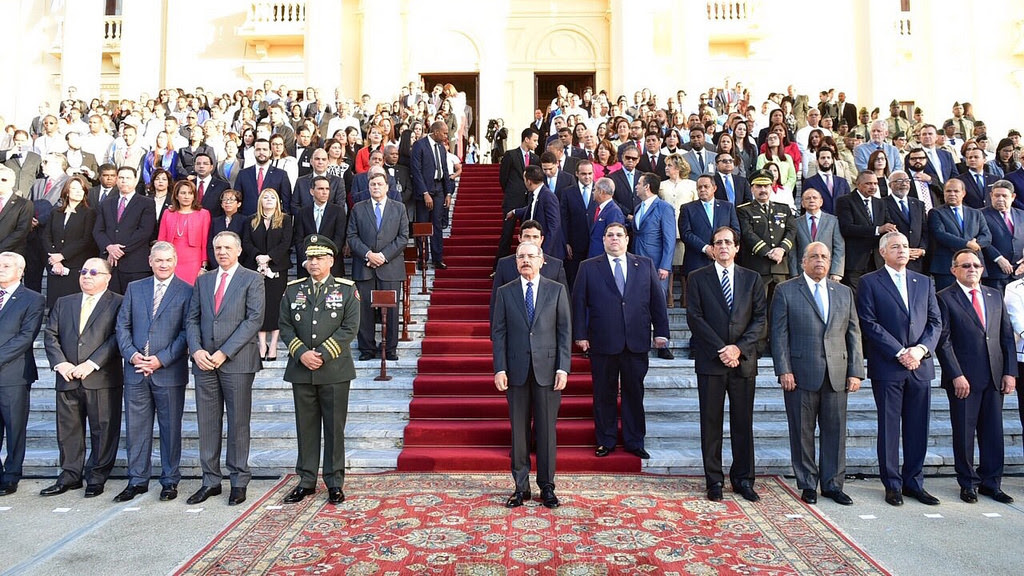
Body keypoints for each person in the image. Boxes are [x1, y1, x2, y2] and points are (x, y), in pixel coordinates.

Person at [771, 242, 864, 505]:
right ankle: (808, 483)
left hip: (837, 372)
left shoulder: (844, 292)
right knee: (802, 432)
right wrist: (783, 369)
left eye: (824, 256)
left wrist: (856, 371)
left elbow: (853, 333)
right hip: (800, 374)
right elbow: (779, 335)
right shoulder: (786, 290)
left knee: (835, 431)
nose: (820, 261)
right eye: (814, 256)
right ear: (803, 262)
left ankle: (833, 485)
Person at [856, 231, 943, 507]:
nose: (902, 251)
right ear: (883, 252)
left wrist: (920, 350)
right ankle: (892, 484)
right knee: (889, 428)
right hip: (889, 366)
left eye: (905, 246)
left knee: (918, 427)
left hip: (920, 365)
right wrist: (899, 351)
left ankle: (914, 482)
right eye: (896, 247)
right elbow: (868, 323)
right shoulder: (869, 282)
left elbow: (935, 322)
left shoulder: (924, 281)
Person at [572, 222, 670, 460]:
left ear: (627, 239)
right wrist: (580, 335)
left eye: (619, 235)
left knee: (634, 393)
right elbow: (578, 303)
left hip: (636, 341)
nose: (614, 239)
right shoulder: (588, 267)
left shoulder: (644, 264)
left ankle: (634, 441)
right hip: (603, 341)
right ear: (603, 240)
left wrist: (662, 332)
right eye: (610, 235)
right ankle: (605, 440)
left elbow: (658, 301)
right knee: (603, 393)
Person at [686, 226, 767, 502]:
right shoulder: (697, 278)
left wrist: (738, 348)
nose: (723, 246)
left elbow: (759, 319)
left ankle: (743, 479)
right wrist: (721, 349)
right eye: (718, 242)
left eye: (728, 242)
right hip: (711, 361)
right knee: (711, 423)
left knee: (743, 423)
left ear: (737, 248)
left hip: (742, 362)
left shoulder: (752, 278)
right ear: (712, 248)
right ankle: (714, 480)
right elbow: (695, 318)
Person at [185, 231, 265, 506]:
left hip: (237, 362)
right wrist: (196, 350)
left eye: (228, 247)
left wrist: (223, 352)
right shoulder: (204, 280)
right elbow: (192, 318)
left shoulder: (252, 279)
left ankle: (239, 480)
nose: (222, 252)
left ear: (239, 250)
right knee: (207, 423)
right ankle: (210, 480)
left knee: (238, 422)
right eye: (218, 247)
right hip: (204, 361)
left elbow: (253, 320)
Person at [278, 236, 359, 506]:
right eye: (310, 258)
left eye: (320, 257)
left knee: (334, 430)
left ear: (331, 261)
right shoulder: (293, 290)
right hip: (302, 370)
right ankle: (306, 480)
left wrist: (322, 355)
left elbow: (349, 328)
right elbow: (286, 326)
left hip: (334, 370)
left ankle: (334, 482)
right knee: (306, 427)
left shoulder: (346, 290)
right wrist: (302, 353)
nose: (314, 262)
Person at [493, 241, 571, 509]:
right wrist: (499, 368)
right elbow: (499, 333)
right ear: (515, 262)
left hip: (548, 372)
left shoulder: (557, 290)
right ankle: (520, 486)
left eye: (530, 256)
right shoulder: (505, 292)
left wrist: (563, 367)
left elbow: (564, 332)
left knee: (547, 431)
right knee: (519, 432)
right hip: (515, 371)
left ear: (541, 260)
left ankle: (547, 487)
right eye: (521, 256)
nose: (525, 260)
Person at [936, 249, 1017, 504]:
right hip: (964, 380)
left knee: (993, 433)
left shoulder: (994, 295)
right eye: (966, 265)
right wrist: (956, 374)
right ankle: (968, 483)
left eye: (976, 265)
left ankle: (991, 483)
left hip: (994, 376)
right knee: (964, 433)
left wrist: (1010, 372)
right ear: (954, 270)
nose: (972, 269)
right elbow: (944, 341)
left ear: (982, 269)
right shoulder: (944, 298)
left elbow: (1006, 336)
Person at [113, 243, 192, 502]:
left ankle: (170, 480)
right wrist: (132, 355)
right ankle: (137, 480)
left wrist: (161, 359)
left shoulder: (187, 291)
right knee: (136, 428)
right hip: (135, 370)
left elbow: (186, 333)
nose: (163, 264)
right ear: (150, 261)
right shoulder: (135, 289)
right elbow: (122, 326)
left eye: (168, 260)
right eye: (158, 260)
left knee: (170, 429)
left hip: (168, 371)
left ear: (176, 260)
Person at [41, 258, 124, 498]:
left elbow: (117, 337)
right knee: (68, 430)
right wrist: (61, 363)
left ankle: (97, 476)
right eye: (84, 271)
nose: (87, 276)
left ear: (107, 277)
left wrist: (91, 363)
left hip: (101, 377)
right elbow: (50, 334)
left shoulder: (118, 303)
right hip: (67, 377)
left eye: (94, 272)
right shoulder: (64, 302)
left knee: (104, 429)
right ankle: (69, 475)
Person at [347, 171, 409, 361]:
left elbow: (403, 237)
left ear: (387, 187)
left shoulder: (399, 208)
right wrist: (368, 254)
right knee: (364, 310)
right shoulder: (358, 208)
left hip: (390, 268)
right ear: (368, 186)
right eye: (373, 184)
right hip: (364, 267)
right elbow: (352, 236)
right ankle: (366, 348)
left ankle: (390, 348)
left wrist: (383, 256)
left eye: (380, 184)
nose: (376, 187)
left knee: (390, 311)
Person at [0, 252, 45, 496]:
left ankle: (11, 475)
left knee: (15, 428)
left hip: (14, 375)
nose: (1, 269)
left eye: (6, 266)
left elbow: (26, 337)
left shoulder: (33, 299)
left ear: (21, 271)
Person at [242, 188, 293, 361]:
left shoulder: (285, 220)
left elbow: (286, 242)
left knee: (275, 305)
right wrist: (258, 257)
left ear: (278, 201)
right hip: (255, 267)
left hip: (277, 267)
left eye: (273, 197)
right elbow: (246, 242)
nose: (269, 200)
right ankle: (262, 344)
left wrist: (269, 257)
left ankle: (273, 345)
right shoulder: (251, 220)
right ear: (260, 201)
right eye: (266, 197)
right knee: (259, 305)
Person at [630, 172, 675, 359]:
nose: (636, 187)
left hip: (656, 264)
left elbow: (669, 238)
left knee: (659, 303)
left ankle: (663, 343)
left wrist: (665, 265)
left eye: (639, 184)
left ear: (647, 186)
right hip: (636, 262)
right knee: (637, 302)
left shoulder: (664, 207)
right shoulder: (639, 206)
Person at [93, 166, 156, 293]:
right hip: (110, 265)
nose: (124, 181)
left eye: (128, 178)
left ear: (135, 180)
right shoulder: (106, 203)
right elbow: (98, 230)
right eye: (121, 178)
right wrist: (109, 247)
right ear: (116, 180)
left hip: (135, 265)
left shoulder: (146, 203)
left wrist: (119, 250)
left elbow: (144, 231)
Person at [490, 220, 568, 320]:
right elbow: (495, 303)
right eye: (527, 236)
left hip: (546, 330)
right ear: (519, 238)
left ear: (542, 239)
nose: (531, 240)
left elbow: (564, 304)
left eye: (535, 237)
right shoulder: (504, 264)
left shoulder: (556, 266)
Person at [736, 170, 796, 298]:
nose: (763, 190)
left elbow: (791, 231)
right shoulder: (744, 210)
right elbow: (748, 234)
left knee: (781, 308)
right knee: (759, 309)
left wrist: (781, 250)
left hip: (780, 267)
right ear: (752, 189)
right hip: (757, 266)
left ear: (771, 187)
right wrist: (768, 252)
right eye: (759, 186)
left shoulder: (784, 209)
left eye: (766, 186)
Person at [42, 175, 98, 308]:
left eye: (81, 189)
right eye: (74, 188)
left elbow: (86, 240)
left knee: (71, 307)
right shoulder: (56, 212)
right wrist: (55, 259)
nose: (78, 192)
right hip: (55, 266)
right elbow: (46, 236)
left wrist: (62, 255)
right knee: (54, 307)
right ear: (67, 191)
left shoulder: (89, 213)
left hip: (75, 266)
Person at [836, 171, 897, 291]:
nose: (873, 187)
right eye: (868, 183)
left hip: (877, 261)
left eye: (875, 183)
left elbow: (888, 223)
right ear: (858, 184)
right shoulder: (845, 201)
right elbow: (847, 228)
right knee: (857, 297)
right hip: (856, 261)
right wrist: (877, 229)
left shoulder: (880, 203)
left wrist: (891, 229)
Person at [928, 179, 991, 290]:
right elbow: (940, 234)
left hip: (974, 266)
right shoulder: (936, 212)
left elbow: (986, 236)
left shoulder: (976, 213)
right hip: (946, 266)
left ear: (963, 193)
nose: (952, 194)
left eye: (956, 191)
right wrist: (967, 244)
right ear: (944, 193)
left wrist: (976, 244)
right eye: (948, 191)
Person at [495, 128, 541, 269]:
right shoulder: (511, 155)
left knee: (529, 234)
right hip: (512, 200)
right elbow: (503, 177)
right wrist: (512, 193)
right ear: (526, 139)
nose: (537, 143)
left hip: (529, 201)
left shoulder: (535, 159)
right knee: (507, 234)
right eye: (534, 140)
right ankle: (498, 268)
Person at [411, 121, 455, 269]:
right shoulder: (419, 145)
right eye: (444, 133)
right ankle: (422, 258)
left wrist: (448, 192)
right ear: (436, 132)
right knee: (423, 224)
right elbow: (416, 171)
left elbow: (446, 170)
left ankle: (437, 258)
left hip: (439, 189)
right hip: (425, 190)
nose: (446, 136)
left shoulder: (442, 148)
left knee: (437, 225)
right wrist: (424, 193)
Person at [157, 180, 211, 285]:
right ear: (176, 196)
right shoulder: (168, 213)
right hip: (171, 258)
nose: (186, 196)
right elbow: (161, 239)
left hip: (193, 260)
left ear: (194, 196)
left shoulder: (203, 214)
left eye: (190, 193)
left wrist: (203, 266)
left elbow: (205, 241)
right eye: (183, 193)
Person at [295, 176, 347, 279]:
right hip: (308, 267)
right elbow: (299, 239)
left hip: (332, 266)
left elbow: (339, 239)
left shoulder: (338, 211)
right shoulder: (302, 212)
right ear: (311, 191)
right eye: (320, 189)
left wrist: (325, 260)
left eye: (327, 189)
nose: (325, 192)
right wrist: (306, 262)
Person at [789, 188, 844, 280]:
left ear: (821, 202)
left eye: (815, 198)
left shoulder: (833, 221)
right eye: (808, 198)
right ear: (802, 203)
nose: (811, 200)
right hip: (803, 272)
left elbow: (839, 247)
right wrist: (794, 274)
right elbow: (793, 251)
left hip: (827, 271)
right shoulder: (795, 223)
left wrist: (836, 272)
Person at [980, 180, 1024, 292]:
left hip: (1019, 273)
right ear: (991, 195)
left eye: (1004, 196)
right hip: (994, 274)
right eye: (997, 195)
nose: (1000, 199)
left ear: (1013, 197)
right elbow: (982, 240)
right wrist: (998, 258)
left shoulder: (1021, 215)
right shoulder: (980, 215)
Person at [884, 170, 929, 273]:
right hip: (895, 259)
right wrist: (903, 249)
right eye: (899, 181)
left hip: (918, 260)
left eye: (907, 181)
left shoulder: (918, 204)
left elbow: (925, 230)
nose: (904, 184)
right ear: (890, 185)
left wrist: (922, 249)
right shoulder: (882, 204)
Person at [236, 138, 292, 216]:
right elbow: (237, 200)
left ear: (270, 152)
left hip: (272, 221)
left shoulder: (281, 175)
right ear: (254, 152)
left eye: (265, 149)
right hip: (247, 220)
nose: (261, 152)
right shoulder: (243, 174)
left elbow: (287, 202)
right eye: (258, 149)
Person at [0, 165, 36, 257]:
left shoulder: (24, 204)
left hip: (10, 255)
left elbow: (22, 231)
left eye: (3, 180)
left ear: (12, 183)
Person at [586, 177, 625, 258]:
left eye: (595, 190)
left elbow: (614, 240)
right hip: (595, 257)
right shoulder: (599, 208)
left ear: (601, 192)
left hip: (603, 259)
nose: (593, 192)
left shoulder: (614, 212)